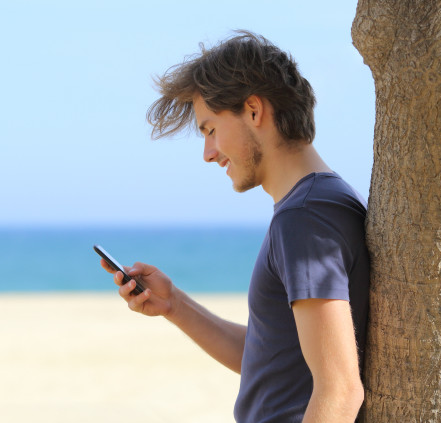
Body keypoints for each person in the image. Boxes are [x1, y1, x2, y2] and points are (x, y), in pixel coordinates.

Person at [99, 31, 370, 423]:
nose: (208, 154)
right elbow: (272, 363)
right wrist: (175, 305)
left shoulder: (305, 217)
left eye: (210, 129)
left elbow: (340, 390)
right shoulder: (320, 202)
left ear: (254, 111)